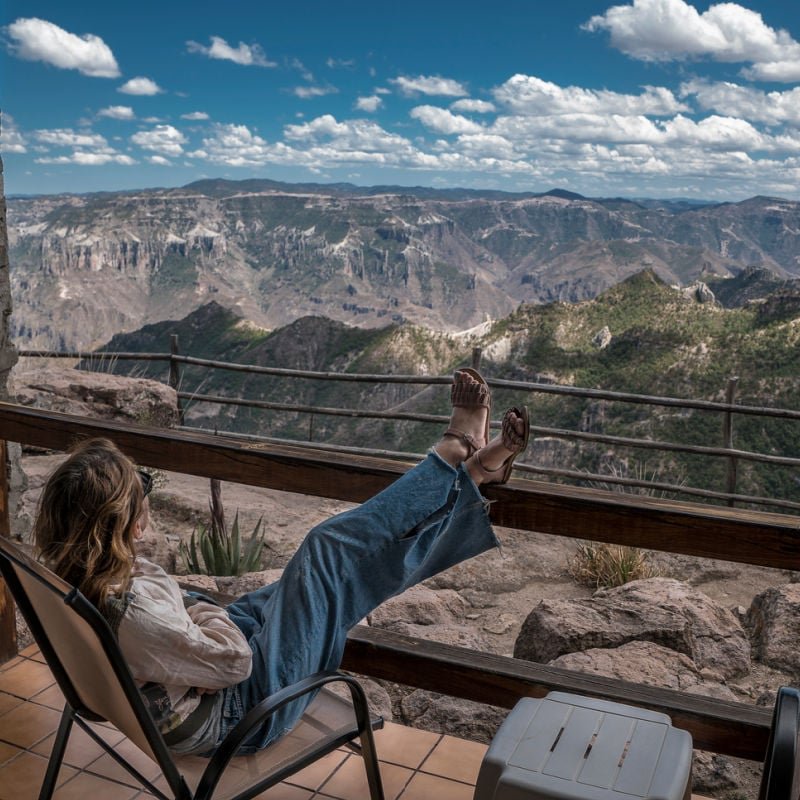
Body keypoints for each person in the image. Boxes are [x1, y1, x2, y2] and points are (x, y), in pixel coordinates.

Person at [33, 369, 530, 755]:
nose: (146, 492)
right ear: (122, 526)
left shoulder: (75, 579)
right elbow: (235, 661)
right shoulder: (135, 612)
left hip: (190, 690)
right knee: (327, 550)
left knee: (331, 573)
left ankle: (468, 472)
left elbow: (176, 633)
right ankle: (457, 459)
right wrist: (204, 611)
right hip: (241, 712)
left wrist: (192, 612)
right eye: (138, 490)